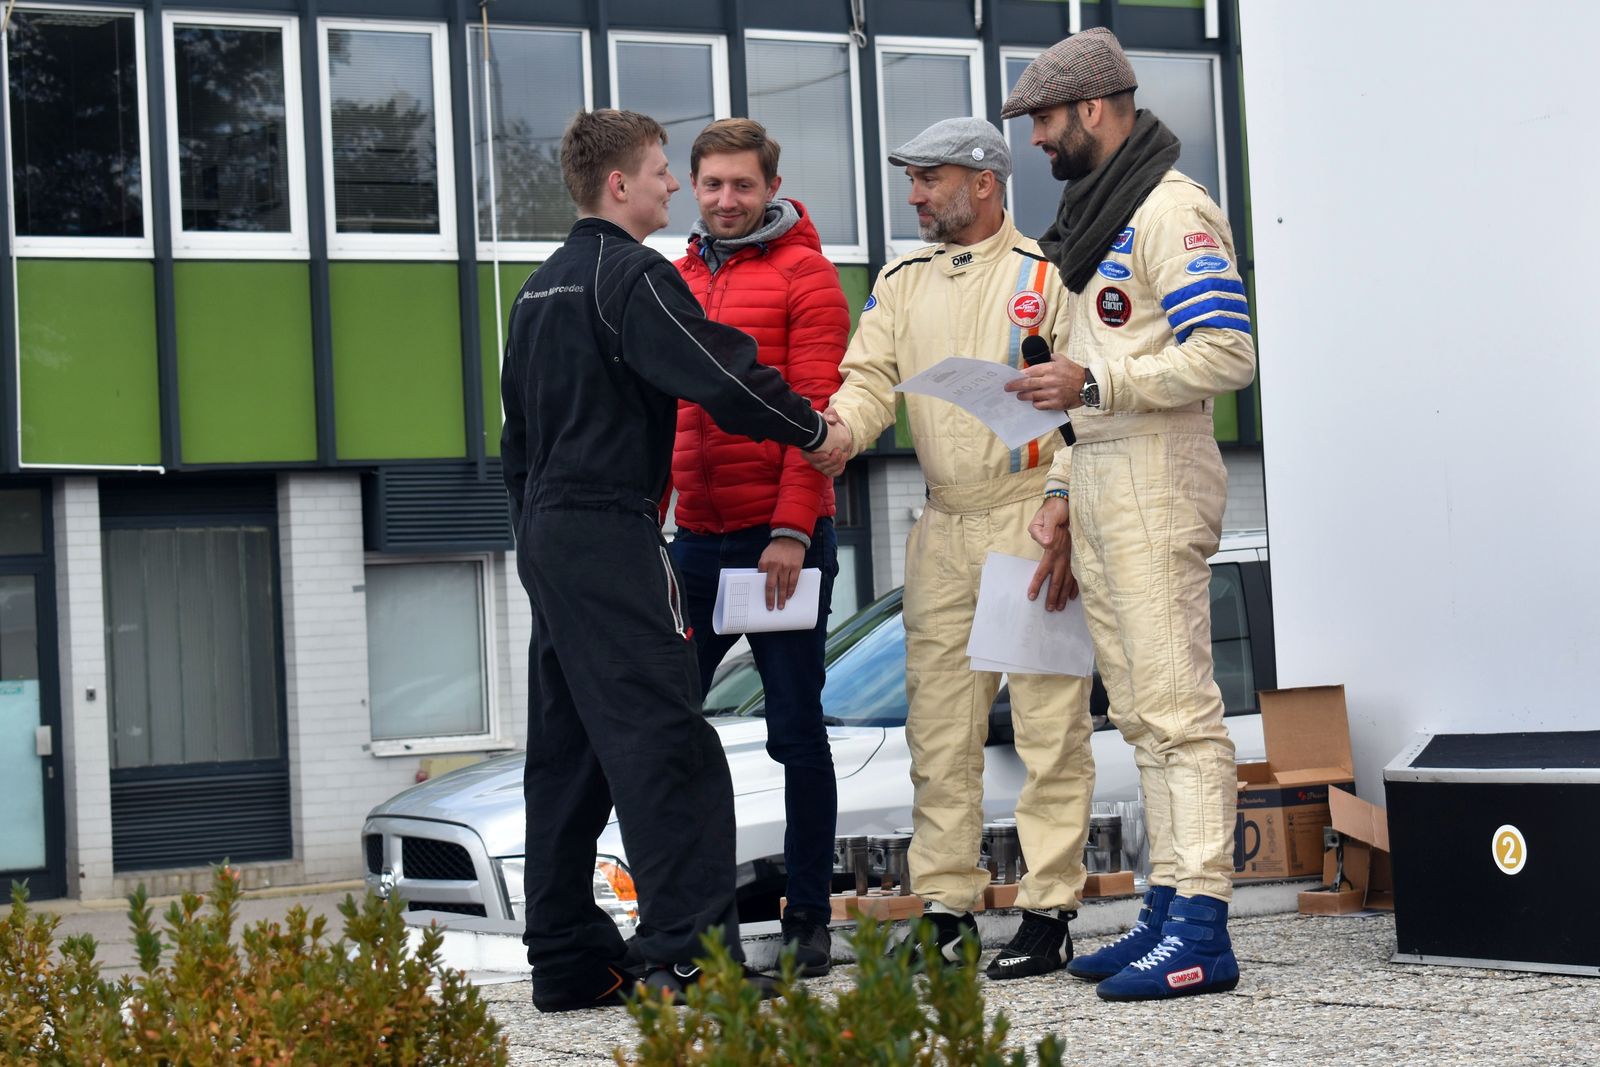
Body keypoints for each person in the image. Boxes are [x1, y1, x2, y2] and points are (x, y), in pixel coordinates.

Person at [500, 108, 849, 1013]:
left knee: (569, 749)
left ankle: (567, 956)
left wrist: (538, 539)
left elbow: (515, 442)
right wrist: (814, 431)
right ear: (619, 184)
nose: (673, 186)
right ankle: (688, 957)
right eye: (662, 170)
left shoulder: (537, 289)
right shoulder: (634, 275)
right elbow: (722, 376)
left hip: (545, 530)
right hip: (613, 528)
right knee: (671, 743)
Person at [1000, 27, 1258, 1001]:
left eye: (1042, 120)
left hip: (1157, 469)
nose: (1034, 140)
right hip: (1106, 470)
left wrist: (1095, 383)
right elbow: (1083, 379)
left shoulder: (1169, 208)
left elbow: (1226, 353)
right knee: (1143, 714)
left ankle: (1202, 926)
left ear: (1093, 108)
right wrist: (1060, 492)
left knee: (1178, 710)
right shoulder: (1096, 216)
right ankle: (1167, 903)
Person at [815, 117, 1096, 981]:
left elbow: (1085, 407)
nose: (913, 195)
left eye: (928, 178)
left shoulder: (1049, 274)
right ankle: (947, 910)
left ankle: (1049, 911)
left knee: (1048, 723)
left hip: (1029, 515)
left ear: (983, 182)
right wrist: (839, 432)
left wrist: (1062, 499)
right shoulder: (901, 280)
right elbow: (867, 380)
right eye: (912, 179)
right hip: (941, 523)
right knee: (939, 730)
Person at [668, 119, 849, 976]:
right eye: (713, 184)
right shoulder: (676, 277)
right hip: (694, 546)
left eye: (743, 185)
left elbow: (817, 413)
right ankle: (692, 923)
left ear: (771, 187)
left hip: (781, 542)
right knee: (667, 727)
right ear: (694, 186)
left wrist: (790, 531)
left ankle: (808, 918)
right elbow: (660, 415)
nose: (727, 200)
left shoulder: (807, 276)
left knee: (795, 734)